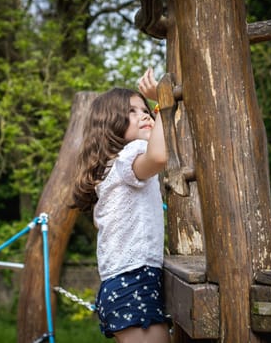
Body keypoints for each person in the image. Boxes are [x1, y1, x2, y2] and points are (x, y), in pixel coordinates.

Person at [72, 67, 170, 343]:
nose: (145, 115)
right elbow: (160, 156)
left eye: (146, 110)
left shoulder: (111, 167)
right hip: (133, 279)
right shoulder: (129, 154)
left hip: (123, 282)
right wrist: (161, 103)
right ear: (111, 122)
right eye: (134, 111)